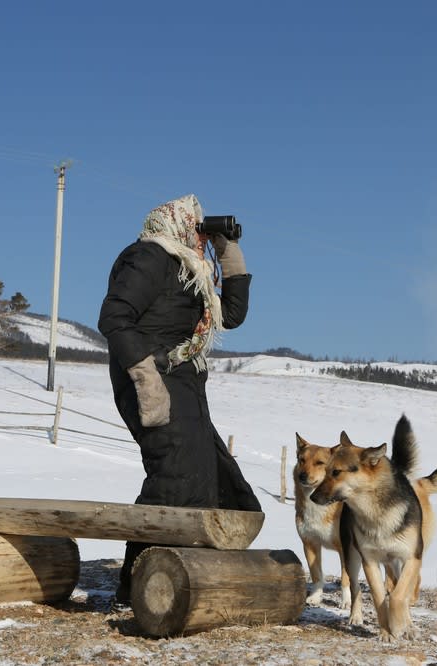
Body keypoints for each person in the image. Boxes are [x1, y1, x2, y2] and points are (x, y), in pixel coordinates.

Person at [97, 193, 262, 604]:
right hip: (150, 379)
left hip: (185, 385)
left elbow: (233, 315)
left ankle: (196, 573)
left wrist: (228, 250)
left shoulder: (192, 269)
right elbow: (114, 316)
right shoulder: (148, 257)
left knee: (213, 475)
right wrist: (145, 378)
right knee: (175, 476)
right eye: (199, 228)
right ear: (178, 224)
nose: (202, 237)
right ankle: (140, 583)